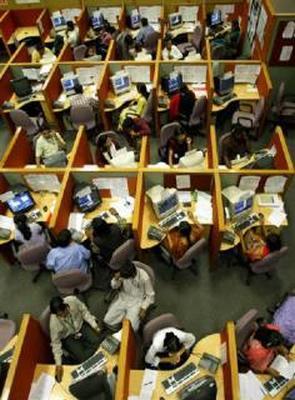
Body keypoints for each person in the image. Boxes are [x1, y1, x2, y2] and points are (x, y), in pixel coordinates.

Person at [49, 295, 101, 382]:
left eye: (63, 313)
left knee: (99, 342)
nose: (63, 316)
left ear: (66, 306)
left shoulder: (73, 300)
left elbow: (84, 312)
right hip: (69, 336)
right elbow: (55, 343)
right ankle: (92, 351)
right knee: (83, 358)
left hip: (81, 326)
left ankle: (91, 349)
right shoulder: (54, 323)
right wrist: (58, 364)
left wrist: (94, 325)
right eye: (59, 315)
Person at [104, 260, 155, 332]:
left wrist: (144, 308)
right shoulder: (123, 272)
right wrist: (116, 279)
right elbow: (114, 286)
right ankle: (120, 324)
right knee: (108, 320)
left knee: (131, 329)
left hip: (137, 302)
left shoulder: (144, 277)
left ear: (132, 275)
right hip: (123, 297)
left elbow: (150, 296)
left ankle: (124, 328)